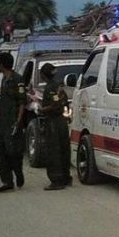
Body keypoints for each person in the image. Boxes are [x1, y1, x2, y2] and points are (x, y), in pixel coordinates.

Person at [0, 52, 26, 193]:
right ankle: (7, 181)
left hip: (12, 121)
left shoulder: (17, 79)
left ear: (1, 64)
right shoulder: (3, 79)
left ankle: (18, 171)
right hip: (0, 120)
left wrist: (18, 122)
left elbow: (22, 102)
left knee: (13, 151)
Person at [39, 62, 71, 190]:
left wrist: (42, 109)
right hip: (61, 121)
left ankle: (57, 180)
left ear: (43, 75)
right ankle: (65, 177)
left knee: (53, 151)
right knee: (63, 149)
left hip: (53, 121)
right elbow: (64, 101)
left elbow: (55, 104)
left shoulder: (50, 88)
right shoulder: (58, 86)